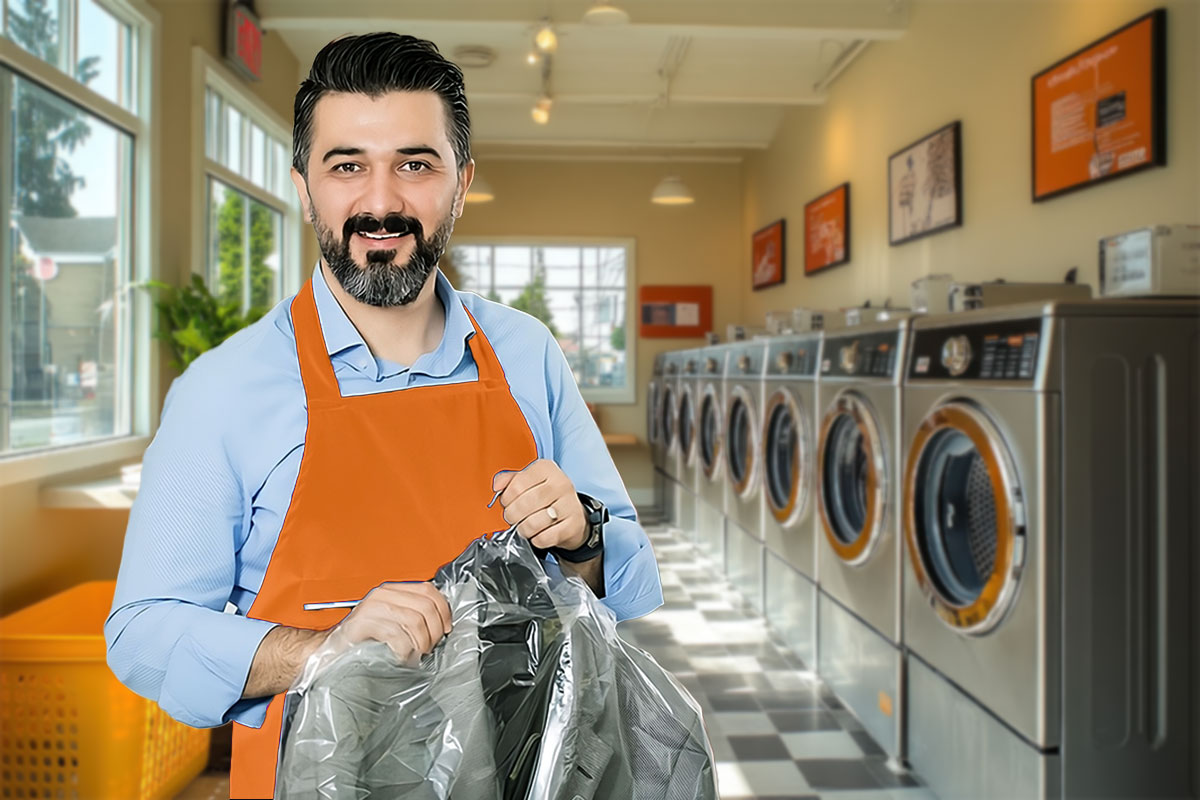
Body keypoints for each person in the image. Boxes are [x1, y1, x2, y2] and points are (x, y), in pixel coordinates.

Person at [105, 32, 663, 798]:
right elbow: (142, 632)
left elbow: (624, 575)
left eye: (415, 164)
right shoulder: (223, 390)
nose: (381, 202)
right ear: (304, 186)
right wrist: (325, 648)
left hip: (528, 771)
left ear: (460, 183)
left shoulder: (526, 352)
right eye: (347, 166)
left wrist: (584, 534)